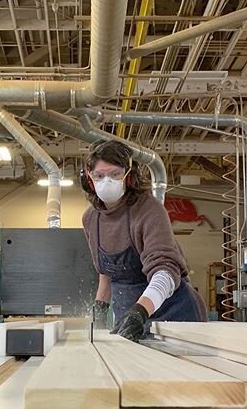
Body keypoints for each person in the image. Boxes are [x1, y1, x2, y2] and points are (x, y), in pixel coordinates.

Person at [81, 140, 207, 342]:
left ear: (129, 177)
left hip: (172, 315)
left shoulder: (149, 210)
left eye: (115, 174)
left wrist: (140, 311)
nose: (107, 181)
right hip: (130, 319)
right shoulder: (91, 219)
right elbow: (105, 272)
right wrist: (99, 312)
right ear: (88, 179)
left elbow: (165, 272)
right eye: (99, 175)